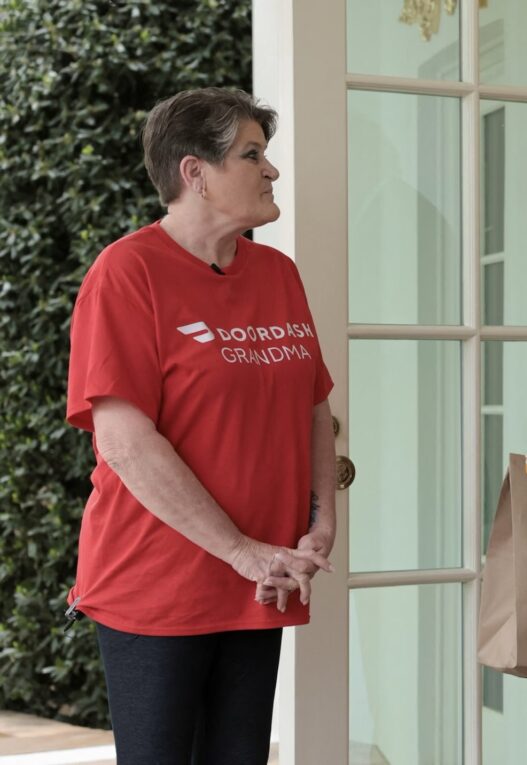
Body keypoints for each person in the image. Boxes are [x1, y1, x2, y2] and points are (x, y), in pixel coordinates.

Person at [65, 88, 336, 763]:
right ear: (195, 173)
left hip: (260, 582)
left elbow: (313, 406)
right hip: (158, 587)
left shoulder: (278, 274)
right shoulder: (127, 273)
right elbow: (125, 443)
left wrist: (320, 520)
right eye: (251, 155)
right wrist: (241, 549)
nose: (271, 170)